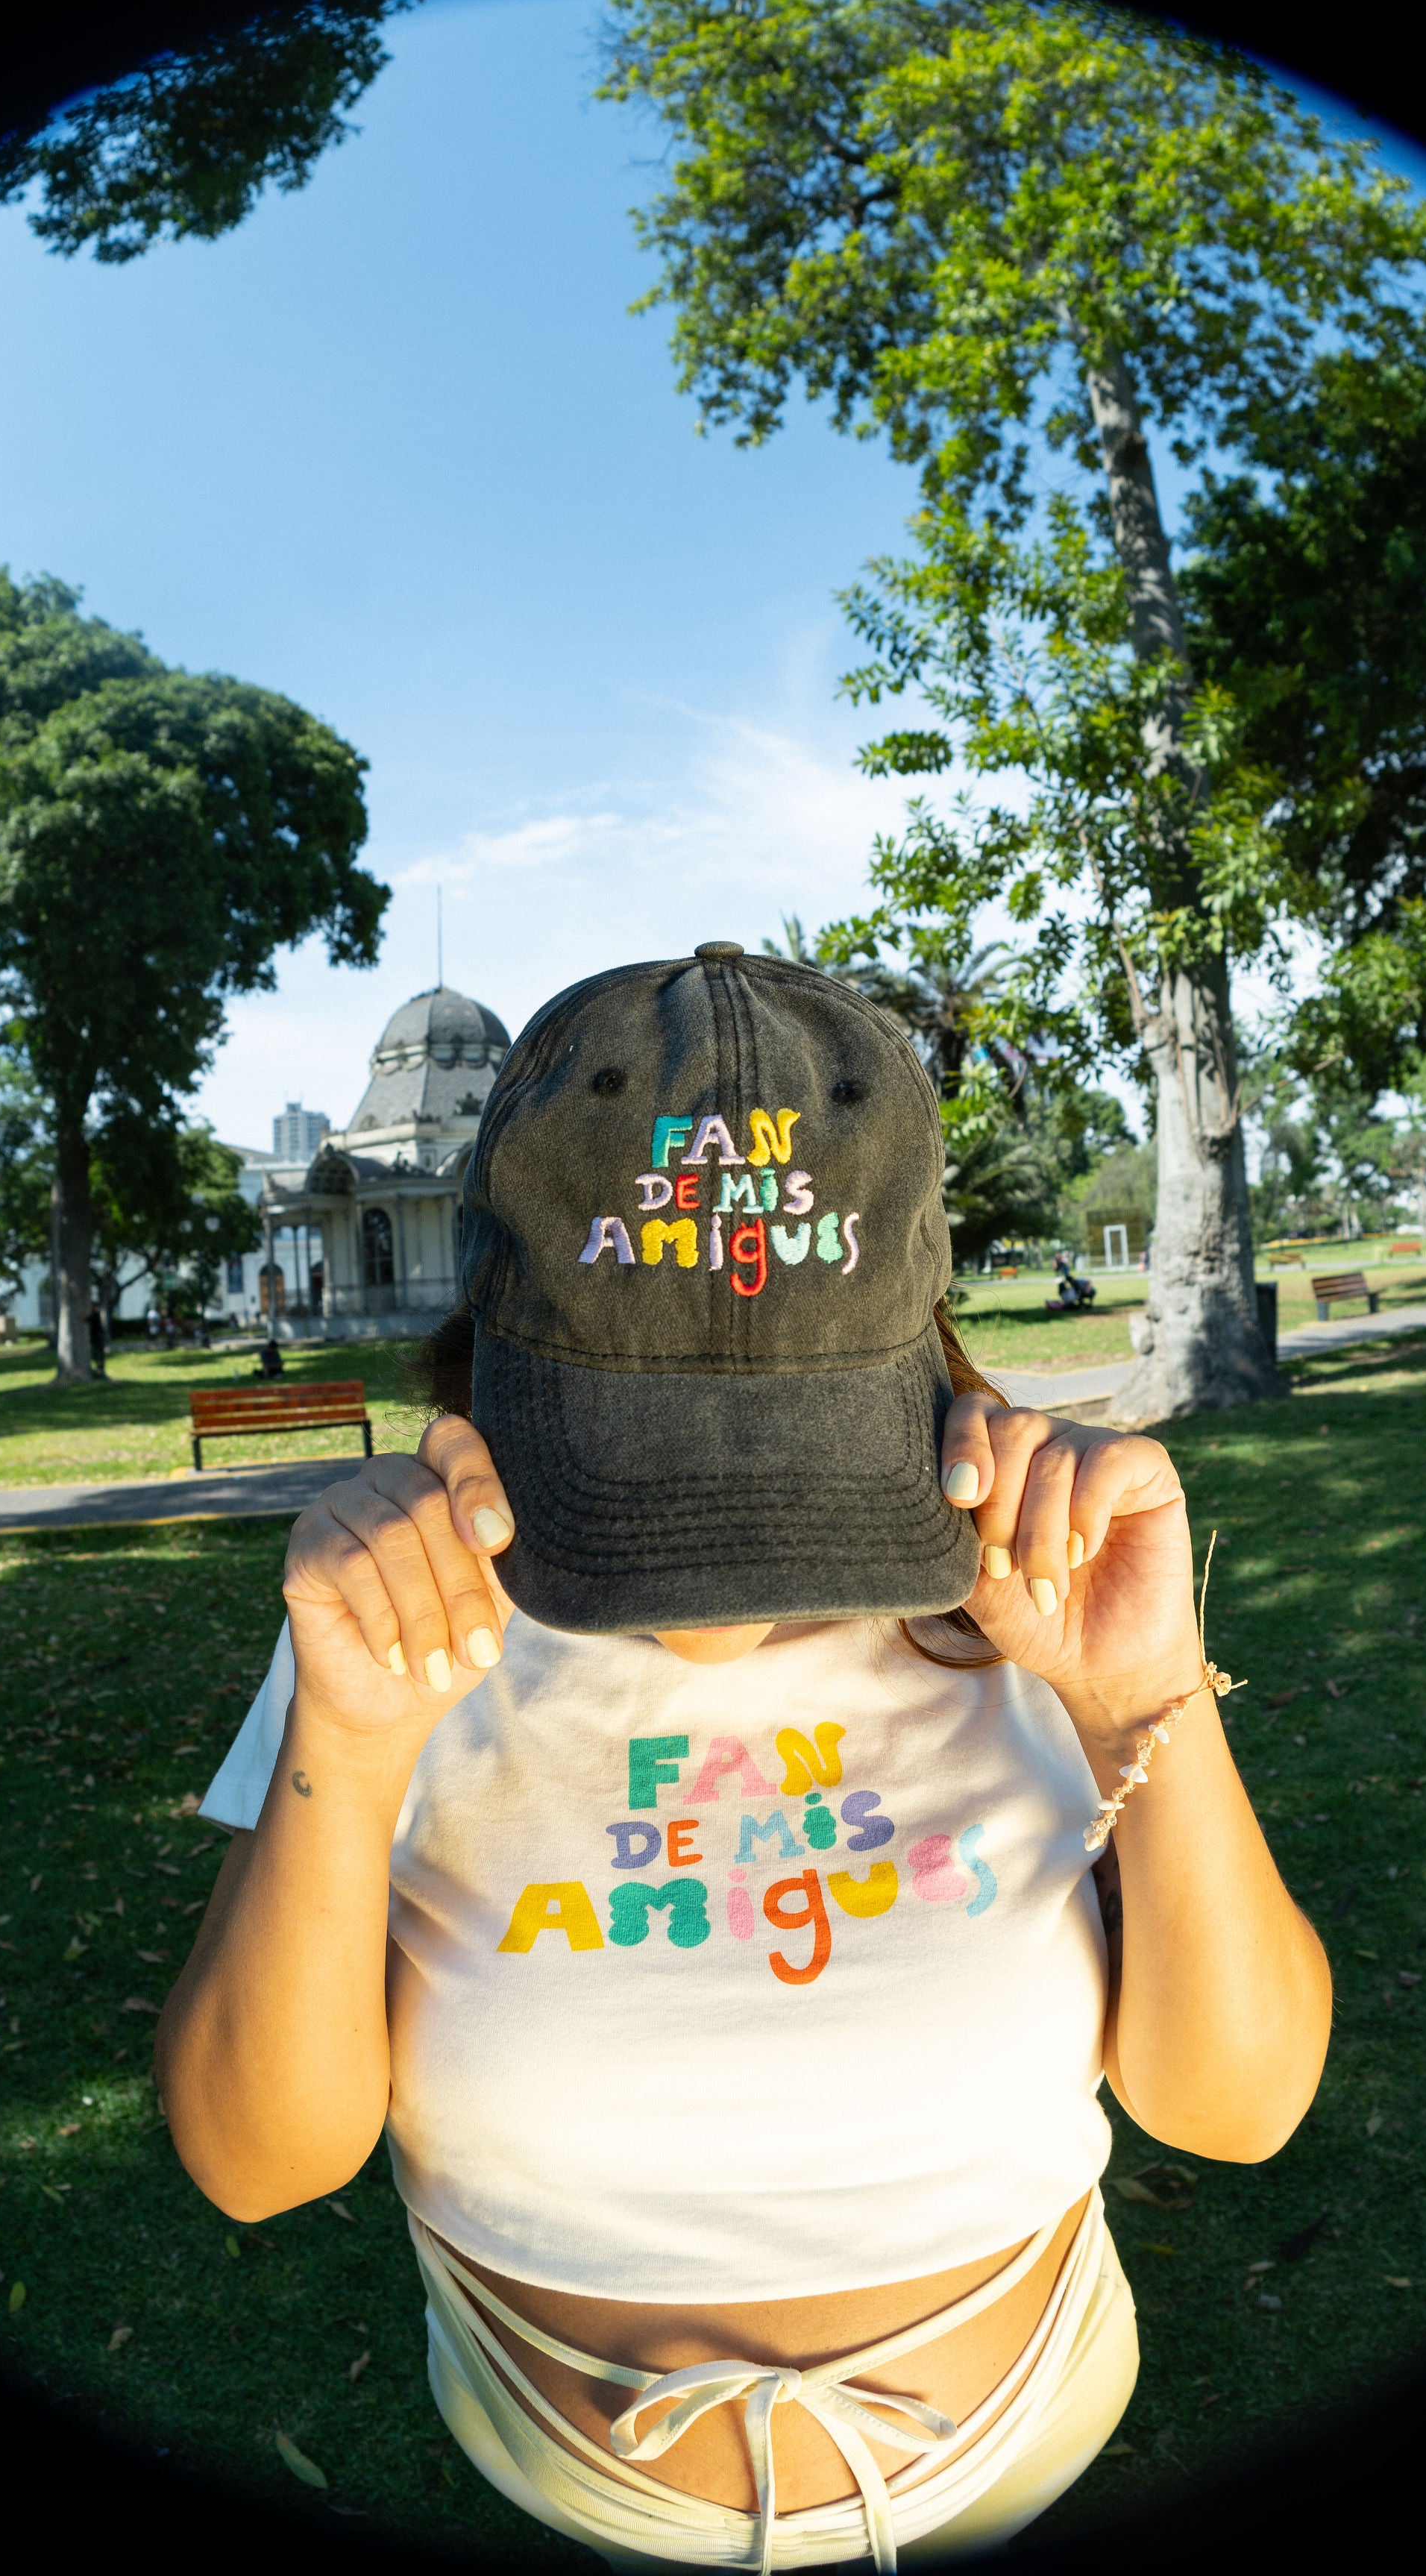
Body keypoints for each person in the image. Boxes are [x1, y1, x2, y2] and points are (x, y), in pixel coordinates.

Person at [158, 943, 1330, 2573]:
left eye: (787, 1454)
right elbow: (253, 2163)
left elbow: (1244, 2108)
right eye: (636, 1457)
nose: (722, 1577)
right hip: (582, 2487)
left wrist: (1145, 1705)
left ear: (919, 1352)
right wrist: (345, 1757)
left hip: (1028, 2441)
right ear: (486, 1353)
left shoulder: (1028, 1602)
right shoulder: (401, 1630)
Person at [88, 1303, 107, 1379]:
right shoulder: (95, 1314)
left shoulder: (96, 1315)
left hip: (97, 1338)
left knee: (98, 1353)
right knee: (95, 1354)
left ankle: (100, 1368)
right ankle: (98, 1367)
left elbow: (88, 1319)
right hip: (96, 1338)